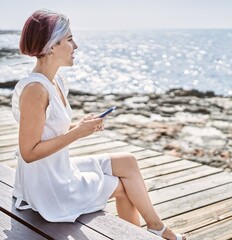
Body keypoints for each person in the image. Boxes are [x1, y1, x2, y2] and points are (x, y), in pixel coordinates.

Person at [12, 9, 185, 240]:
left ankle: (156, 229)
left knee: (128, 162)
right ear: (51, 46)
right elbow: (29, 152)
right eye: (70, 40)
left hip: (59, 169)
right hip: (48, 187)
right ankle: (155, 232)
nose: (76, 46)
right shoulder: (36, 90)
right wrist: (78, 134)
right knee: (125, 189)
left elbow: (49, 132)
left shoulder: (56, 82)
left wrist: (80, 127)